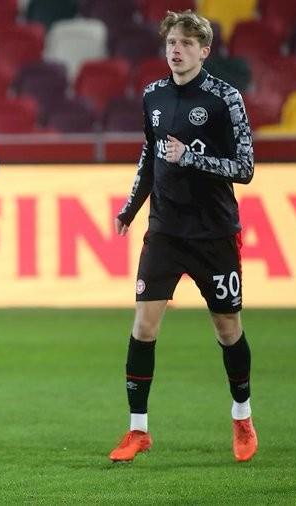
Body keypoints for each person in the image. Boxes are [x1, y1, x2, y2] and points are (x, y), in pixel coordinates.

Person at [109, 10, 257, 463]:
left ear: (204, 50)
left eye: (187, 43)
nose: (177, 50)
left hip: (214, 233)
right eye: (172, 42)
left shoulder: (225, 98)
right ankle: (138, 430)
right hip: (165, 231)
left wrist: (192, 157)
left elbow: (245, 168)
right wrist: (131, 208)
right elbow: (150, 156)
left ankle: (242, 417)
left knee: (228, 329)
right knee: (143, 326)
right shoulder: (153, 94)